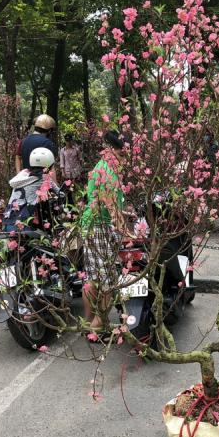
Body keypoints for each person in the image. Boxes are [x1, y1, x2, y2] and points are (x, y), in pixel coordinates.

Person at [79, 130, 129, 335]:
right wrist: (127, 232)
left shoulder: (101, 167)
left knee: (92, 278)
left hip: (90, 225)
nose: (123, 160)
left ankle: (87, 322)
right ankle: (97, 326)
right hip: (99, 228)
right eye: (122, 155)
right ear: (111, 151)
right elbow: (110, 205)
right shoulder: (107, 170)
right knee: (107, 281)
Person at [3, 147, 60, 232]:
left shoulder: (23, 174)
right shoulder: (43, 178)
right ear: (48, 165)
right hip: (23, 226)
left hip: (8, 222)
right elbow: (60, 193)